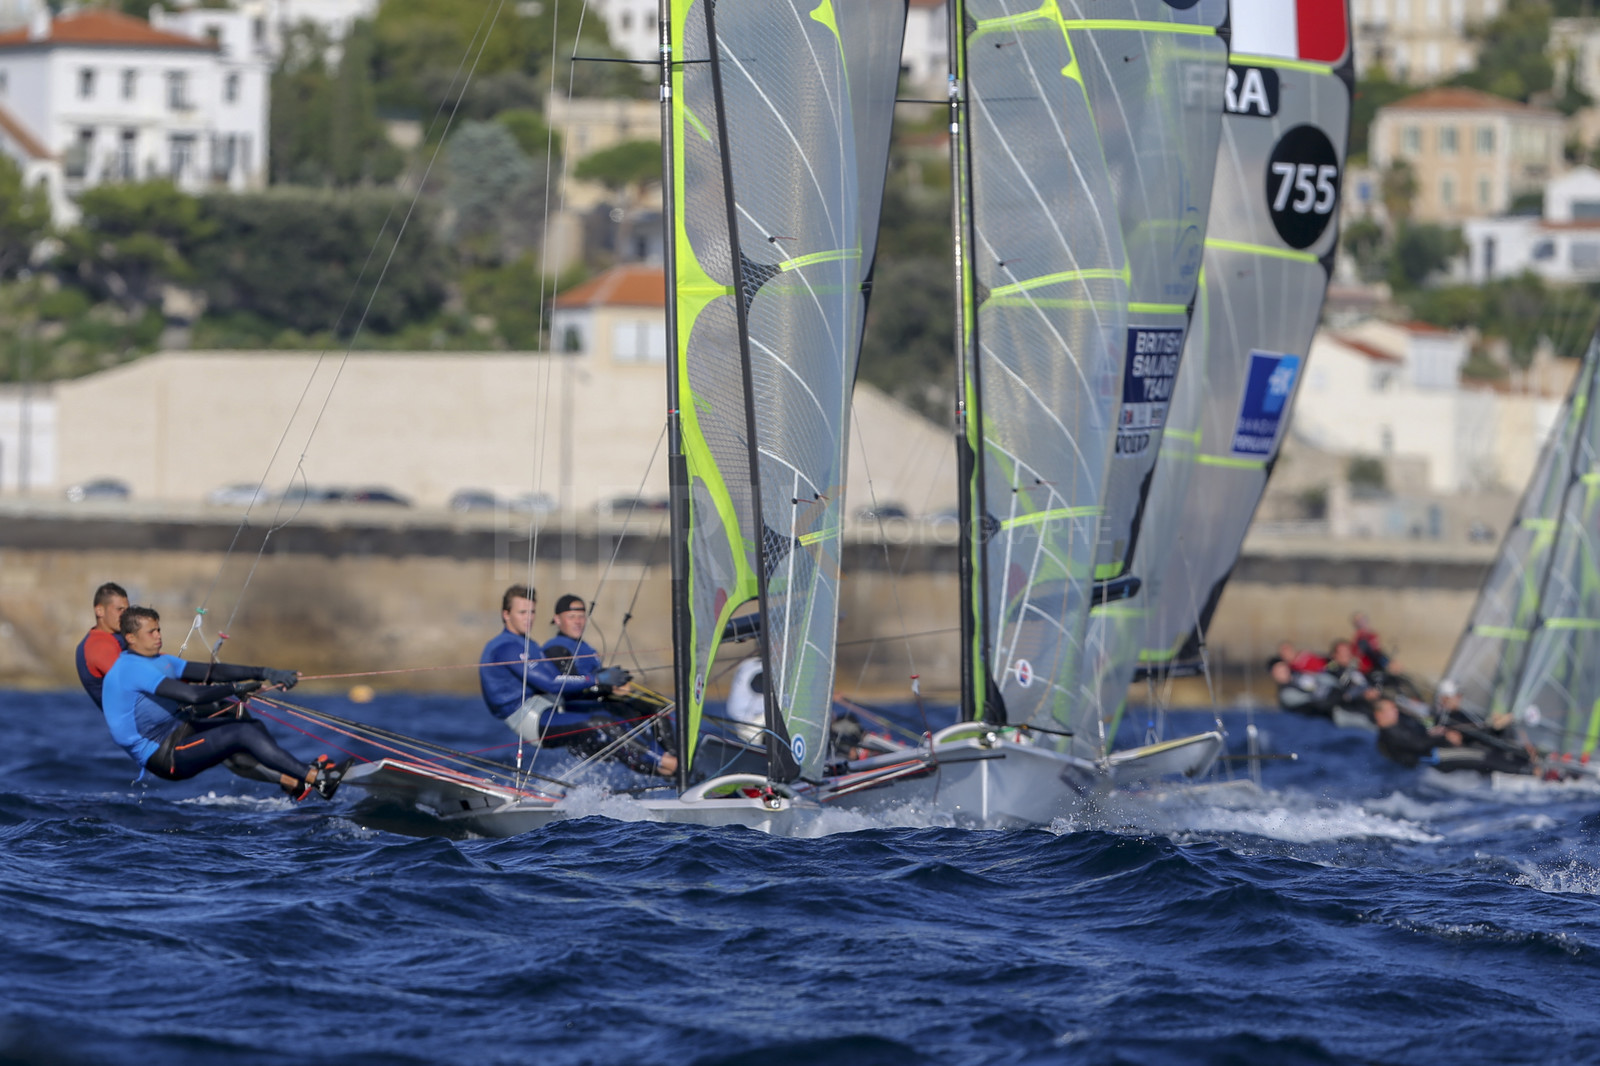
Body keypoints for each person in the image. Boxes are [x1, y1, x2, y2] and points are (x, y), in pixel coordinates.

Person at [100, 606, 347, 800]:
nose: (158, 636)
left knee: (252, 727)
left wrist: (264, 672)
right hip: (165, 756)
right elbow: (192, 696)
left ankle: (294, 781)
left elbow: (213, 672)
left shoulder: (159, 660)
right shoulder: (131, 669)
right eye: (151, 632)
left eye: (159, 629)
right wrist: (235, 688)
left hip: (180, 731)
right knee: (242, 733)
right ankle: (317, 778)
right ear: (131, 637)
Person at [479, 585, 676, 777]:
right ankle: (665, 763)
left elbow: (558, 680)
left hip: (549, 708)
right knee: (602, 723)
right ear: (506, 615)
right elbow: (552, 682)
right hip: (530, 719)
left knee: (619, 717)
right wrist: (597, 679)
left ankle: (666, 770)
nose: (529, 618)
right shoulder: (506, 647)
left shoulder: (528, 644)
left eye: (532, 612)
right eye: (522, 612)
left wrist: (607, 685)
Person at [1372, 698, 1532, 775]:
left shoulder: (1399, 724)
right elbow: (1418, 745)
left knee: (1479, 748)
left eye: (1394, 708)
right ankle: (1525, 771)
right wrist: (1443, 737)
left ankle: (1521, 761)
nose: (1396, 711)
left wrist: (1439, 733)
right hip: (1434, 757)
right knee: (1480, 755)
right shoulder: (1389, 732)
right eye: (1390, 709)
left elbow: (1420, 736)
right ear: (1379, 714)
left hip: (1436, 751)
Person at [75, 582, 129, 710]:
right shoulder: (98, 645)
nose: (125, 616)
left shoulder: (121, 637)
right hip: (141, 722)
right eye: (119, 610)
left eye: (127, 610)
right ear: (99, 610)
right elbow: (128, 678)